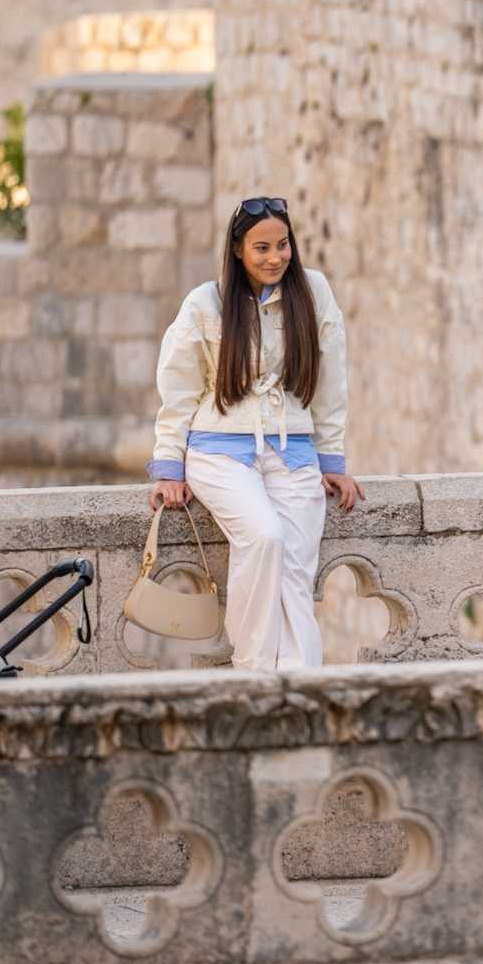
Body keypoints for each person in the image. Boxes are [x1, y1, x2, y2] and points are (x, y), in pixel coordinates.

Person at [146, 195, 365, 670]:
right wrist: (168, 467)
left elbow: (331, 384)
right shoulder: (205, 303)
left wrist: (332, 461)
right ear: (238, 249)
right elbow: (178, 389)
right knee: (264, 538)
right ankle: (254, 671)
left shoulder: (314, 292)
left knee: (294, 573)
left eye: (282, 245)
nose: (275, 258)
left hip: (293, 450)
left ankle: (299, 680)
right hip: (219, 450)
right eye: (261, 248)